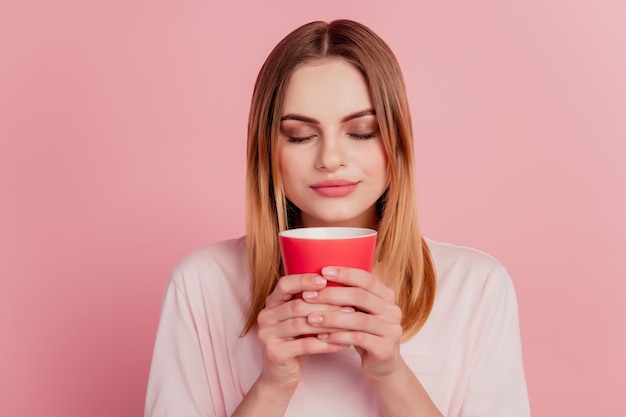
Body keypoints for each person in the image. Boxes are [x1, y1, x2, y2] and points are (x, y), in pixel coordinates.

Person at [144, 19, 531, 417]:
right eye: (299, 135)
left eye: (362, 132)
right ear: (268, 149)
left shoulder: (477, 287)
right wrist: (274, 384)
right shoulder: (202, 284)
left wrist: (391, 374)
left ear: (395, 142)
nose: (330, 158)